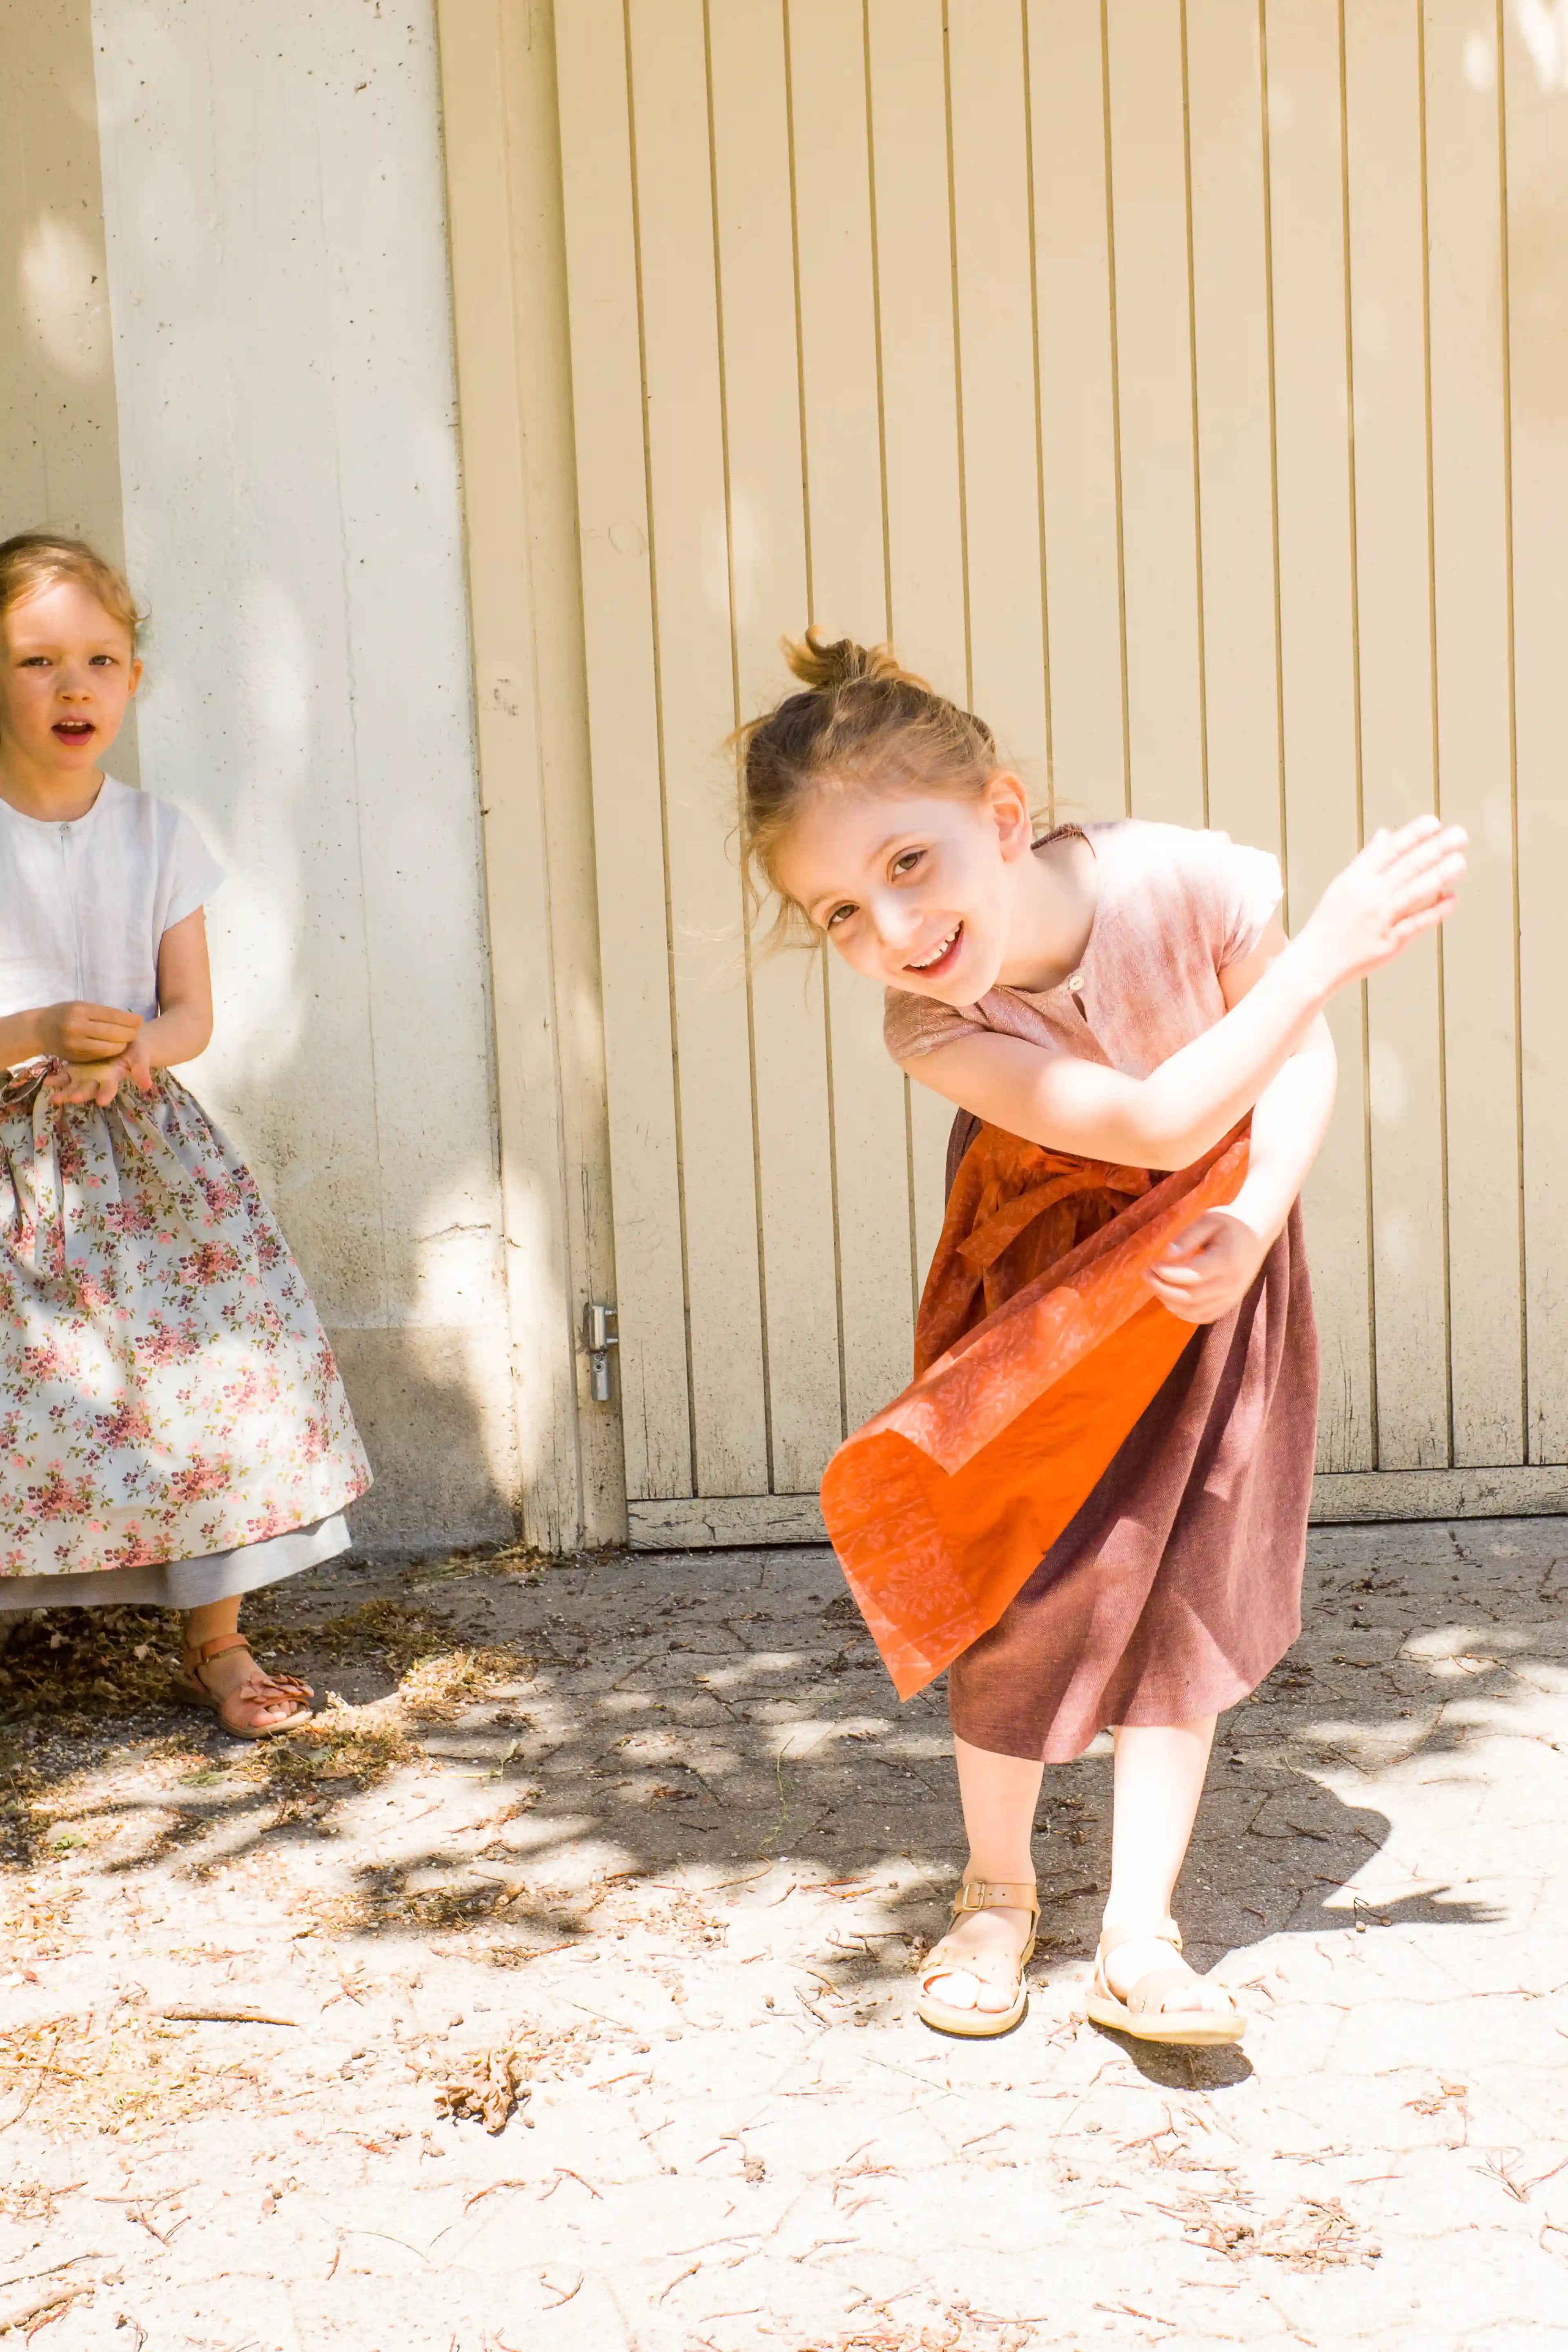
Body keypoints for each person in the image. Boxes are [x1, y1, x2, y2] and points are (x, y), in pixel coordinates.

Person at [738, 632, 1465, 2046]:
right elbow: (1147, 1122)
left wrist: (1254, 1220)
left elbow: (1293, 1060)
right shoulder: (929, 1022)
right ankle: (996, 1891)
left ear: (1002, 817)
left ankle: (1142, 1930)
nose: (891, 929)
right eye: (837, 911)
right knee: (1031, 1572)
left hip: (1214, 1253)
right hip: (1046, 1283)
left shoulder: (1185, 879)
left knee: (1185, 1572)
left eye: (910, 865)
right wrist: (1319, 956)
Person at [0, 531, 370, 1736]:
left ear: (135, 682)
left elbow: (193, 1014)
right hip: (15, 1153)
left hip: (143, 1154)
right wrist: (43, 1027)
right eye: (38, 659)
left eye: (101, 660)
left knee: (209, 1371)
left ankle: (218, 1639)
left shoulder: (160, 835)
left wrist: (133, 1051)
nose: (73, 687)